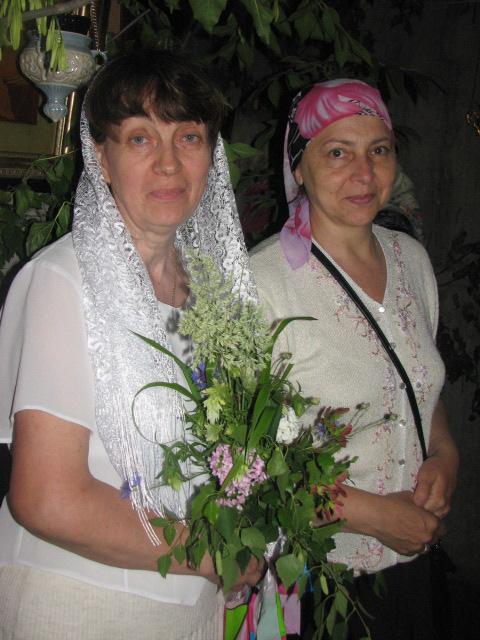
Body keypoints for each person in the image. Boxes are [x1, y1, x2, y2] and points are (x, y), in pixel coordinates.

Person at [0, 49, 262, 639]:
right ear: (102, 157)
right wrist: (210, 551)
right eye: (141, 138)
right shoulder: (64, 280)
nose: (169, 163)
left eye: (189, 137)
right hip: (79, 606)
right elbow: (47, 498)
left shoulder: (215, 295)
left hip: (191, 608)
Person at [250, 79, 459, 639]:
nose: (364, 173)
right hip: (320, 580)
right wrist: (375, 515)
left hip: (415, 566)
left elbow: (416, 382)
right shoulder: (261, 285)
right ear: (299, 167)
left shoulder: (410, 260)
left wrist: (444, 452)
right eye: (338, 152)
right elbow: (247, 469)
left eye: (379, 150)